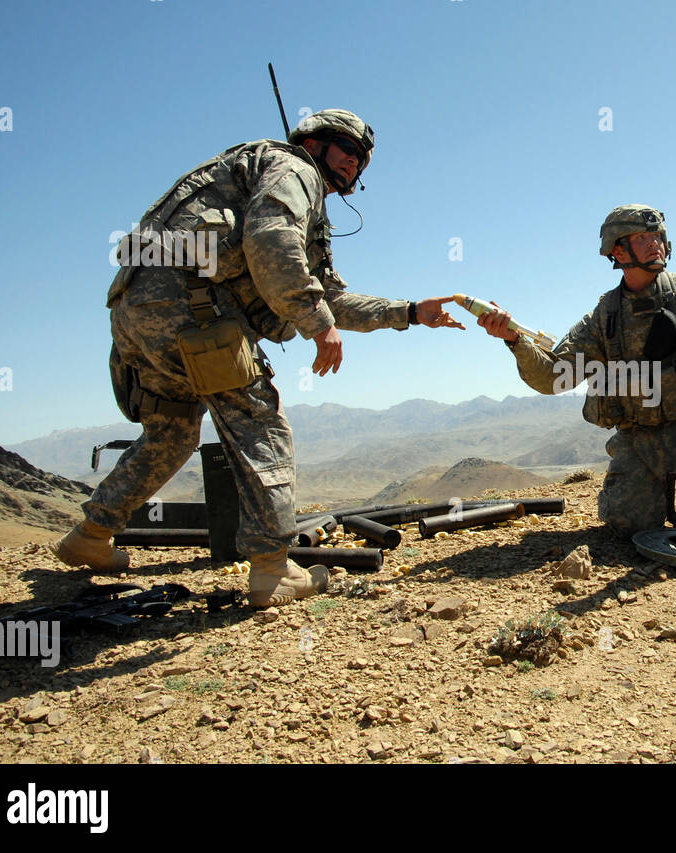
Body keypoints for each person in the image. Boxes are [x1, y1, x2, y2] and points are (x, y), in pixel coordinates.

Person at [52, 109, 464, 608]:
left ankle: (91, 535)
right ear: (315, 144)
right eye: (348, 153)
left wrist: (410, 312)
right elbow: (272, 240)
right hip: (193, 309)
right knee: (259, 424)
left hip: (137, 309)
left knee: (173, 432)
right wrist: (317, 323)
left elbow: (330, 295)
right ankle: (272, 568)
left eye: (361, 162)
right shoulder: (295, 170)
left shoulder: (254, 173)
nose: (354, 166)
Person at [478, 204, 676, 537]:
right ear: (617, 250)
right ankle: (643, 496)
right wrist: (515, 340)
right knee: (628, 525)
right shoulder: (604, 317)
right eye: (641, 237)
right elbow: (553, 377)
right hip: (642, 438)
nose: (655, 244)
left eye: (657, 236)